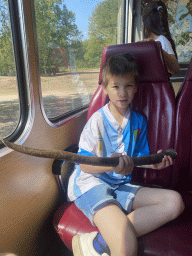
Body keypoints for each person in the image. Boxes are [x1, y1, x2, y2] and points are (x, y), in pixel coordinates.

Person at [68, 53, 184, 256]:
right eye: (115, 86)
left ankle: (97, 243)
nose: (122, 93)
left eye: (128, 86)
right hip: (91, 184)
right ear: (105, 88)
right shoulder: (97, 121)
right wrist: (111, 165)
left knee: (174, 202)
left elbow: (138, 157)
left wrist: (154, 164)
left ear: (136, 87)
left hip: (120, 185)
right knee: (126, 247)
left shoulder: (139, 121)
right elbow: (85, 165)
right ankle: (117, 235)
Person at [142, 1, 179, 75]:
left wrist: (156, 47)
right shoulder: (150, 42)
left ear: (145, 23)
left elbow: (175, 68)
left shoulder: (162, 40)